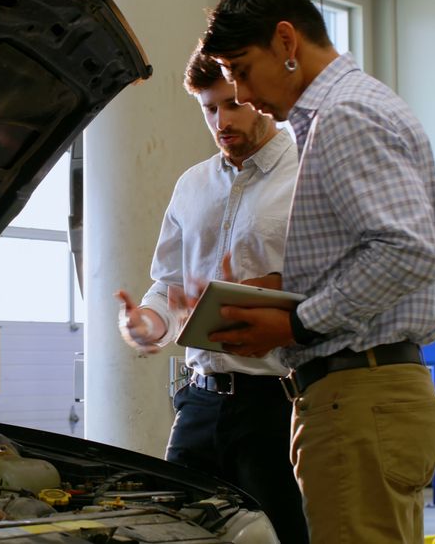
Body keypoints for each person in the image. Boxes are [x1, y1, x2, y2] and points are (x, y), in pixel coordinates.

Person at [199, 0, 435, 542]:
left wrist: (295, 321)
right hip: (372, 399)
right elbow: (377, 248)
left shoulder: (344, 116)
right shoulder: (356, 107)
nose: (238, 92)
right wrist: (283, 286)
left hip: (360, 401)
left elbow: (407, 252)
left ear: (287, 42)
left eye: (240, 68)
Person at [115, 50, 308, 544]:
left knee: (284, 536)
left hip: (278, 404)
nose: (221, 121)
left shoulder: (307, 177)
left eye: (231, 105)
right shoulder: (192, 185)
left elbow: (328, 285)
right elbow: (167, 285)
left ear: (255, 96)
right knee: (172, 532)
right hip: (200, 403)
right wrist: (149, 323)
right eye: (209, 109)